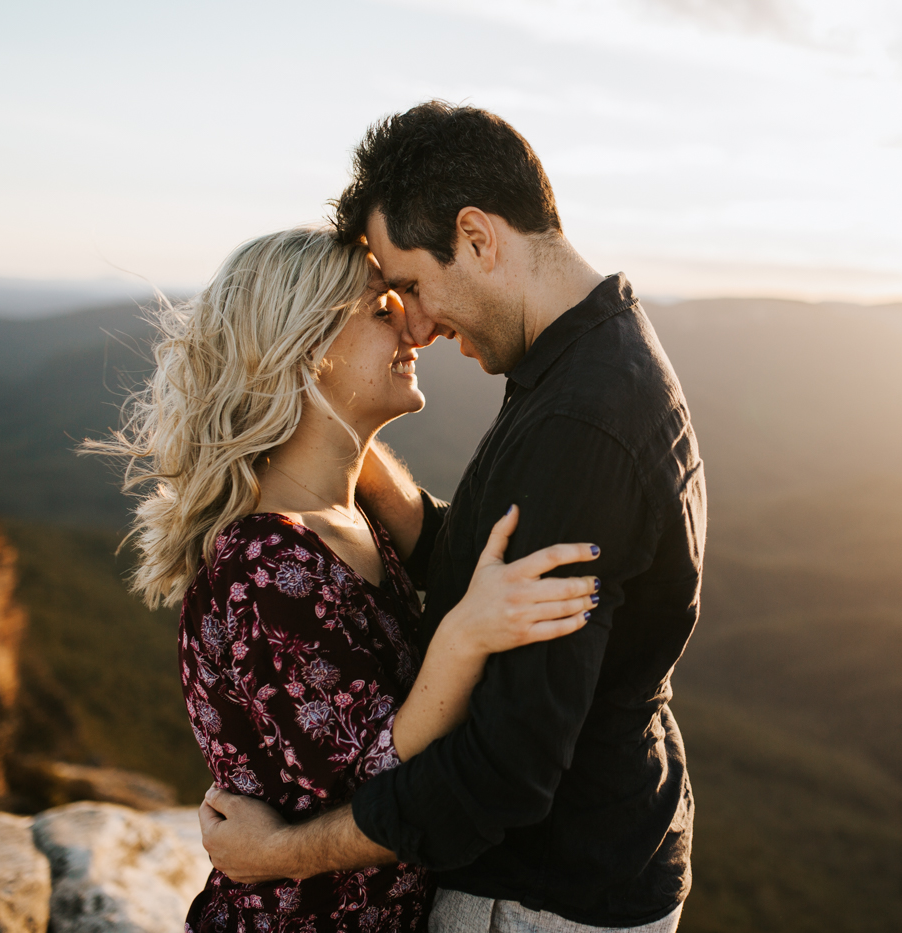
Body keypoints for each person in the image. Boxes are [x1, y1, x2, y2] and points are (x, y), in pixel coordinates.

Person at [200, 103, 707, 933]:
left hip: (539, 892)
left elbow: (502, 770)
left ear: (477, 237)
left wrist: (278, 856)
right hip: (580, 867)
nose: (420, 323)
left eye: (410, 286)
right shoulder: (584, 357)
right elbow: (480, 560)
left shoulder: (580, 426)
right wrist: (336, 450)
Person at [88, 226, 601, 933]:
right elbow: (376, 780)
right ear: (307, 351)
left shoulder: (349, 518)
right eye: (382, 309)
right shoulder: (264, 567)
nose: (415, 331)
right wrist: (465, 635)